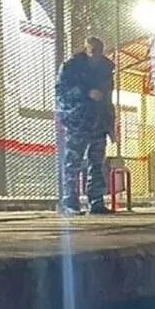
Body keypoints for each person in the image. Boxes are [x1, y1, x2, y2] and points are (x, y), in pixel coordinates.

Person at [55, 36, 115, 214]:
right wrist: (86, 93)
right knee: (73, 161)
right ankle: (69, 201)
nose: (95, 55)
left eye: (98, 52)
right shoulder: (71, 67)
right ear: (87, 50)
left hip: (97, 121)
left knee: (96, 162)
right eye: (93, 51)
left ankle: (96, 201)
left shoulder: (105, 70)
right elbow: (61, 92)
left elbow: (108, 99)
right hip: (77, 120)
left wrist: (110, 123)